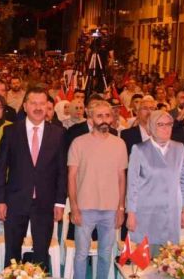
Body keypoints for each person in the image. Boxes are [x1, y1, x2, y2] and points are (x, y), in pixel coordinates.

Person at [0, 87, 67, 270]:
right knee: (12, 251)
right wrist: (0, 200)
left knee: (41, 251)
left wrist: (60, 202)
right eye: (33, 103)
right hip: (15, 200)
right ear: (25, 106)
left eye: (42, 103)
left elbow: (61, 171)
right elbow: (1, 168)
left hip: (45, 202)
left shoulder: (58, 133)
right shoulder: (10, 131)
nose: (38, 107)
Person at [68, 100, 127, 279]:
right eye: (99, 115)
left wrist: (121, 208)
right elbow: (71, 177)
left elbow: (121, 179)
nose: (104, 119)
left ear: (112, 119)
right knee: (81, 254)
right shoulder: (78, 143)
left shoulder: (119, 144)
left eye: (107, 115)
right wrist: (74, 207)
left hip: (110, 209)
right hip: (85, 208)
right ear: (91, 118)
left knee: (105, 254)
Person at [126, 109, 184, 255]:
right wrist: (131, 213)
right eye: (161, 124)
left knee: (168, 262)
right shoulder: (139, 149)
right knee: (144, 262)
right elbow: (132, 185)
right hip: (146, 213)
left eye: (169, 124)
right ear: (151, 127)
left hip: (171, 213)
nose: (166, 128)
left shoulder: (179, 148)